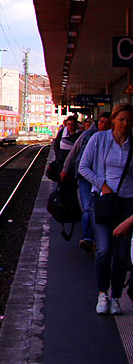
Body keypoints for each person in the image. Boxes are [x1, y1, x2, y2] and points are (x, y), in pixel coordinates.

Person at [78, 103, 133, 315]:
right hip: (102, 201)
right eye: (122, 120)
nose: (125, 124)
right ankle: (103, 294)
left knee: (120, 255)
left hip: (127, 203)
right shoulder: (99, 140)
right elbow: (83, 166)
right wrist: (102, 184)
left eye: (129, 120)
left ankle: (116, 297)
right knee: (103, 250)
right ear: (113, 120)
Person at [63, 112, 113, 251]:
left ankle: (97, 238)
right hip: (86, 177)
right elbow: (74, 153)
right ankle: (87, 238)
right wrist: (65, 169)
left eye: (107, 122)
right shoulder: (88, 136)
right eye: (102, 121)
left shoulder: (115, 141)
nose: (104, 125)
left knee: (100, 209)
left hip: (104, 179)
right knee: (87, 207)